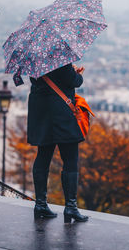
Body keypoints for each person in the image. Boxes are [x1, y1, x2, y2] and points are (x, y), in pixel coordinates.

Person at [28, 63, 88, 223]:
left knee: (43, 156)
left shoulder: (34, 60)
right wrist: (77, 73)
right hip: (62, 113)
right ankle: (71, 207)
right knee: (70, 159)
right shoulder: (59, 59)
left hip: (41, 113)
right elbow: (74, 81)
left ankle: (40, 204)